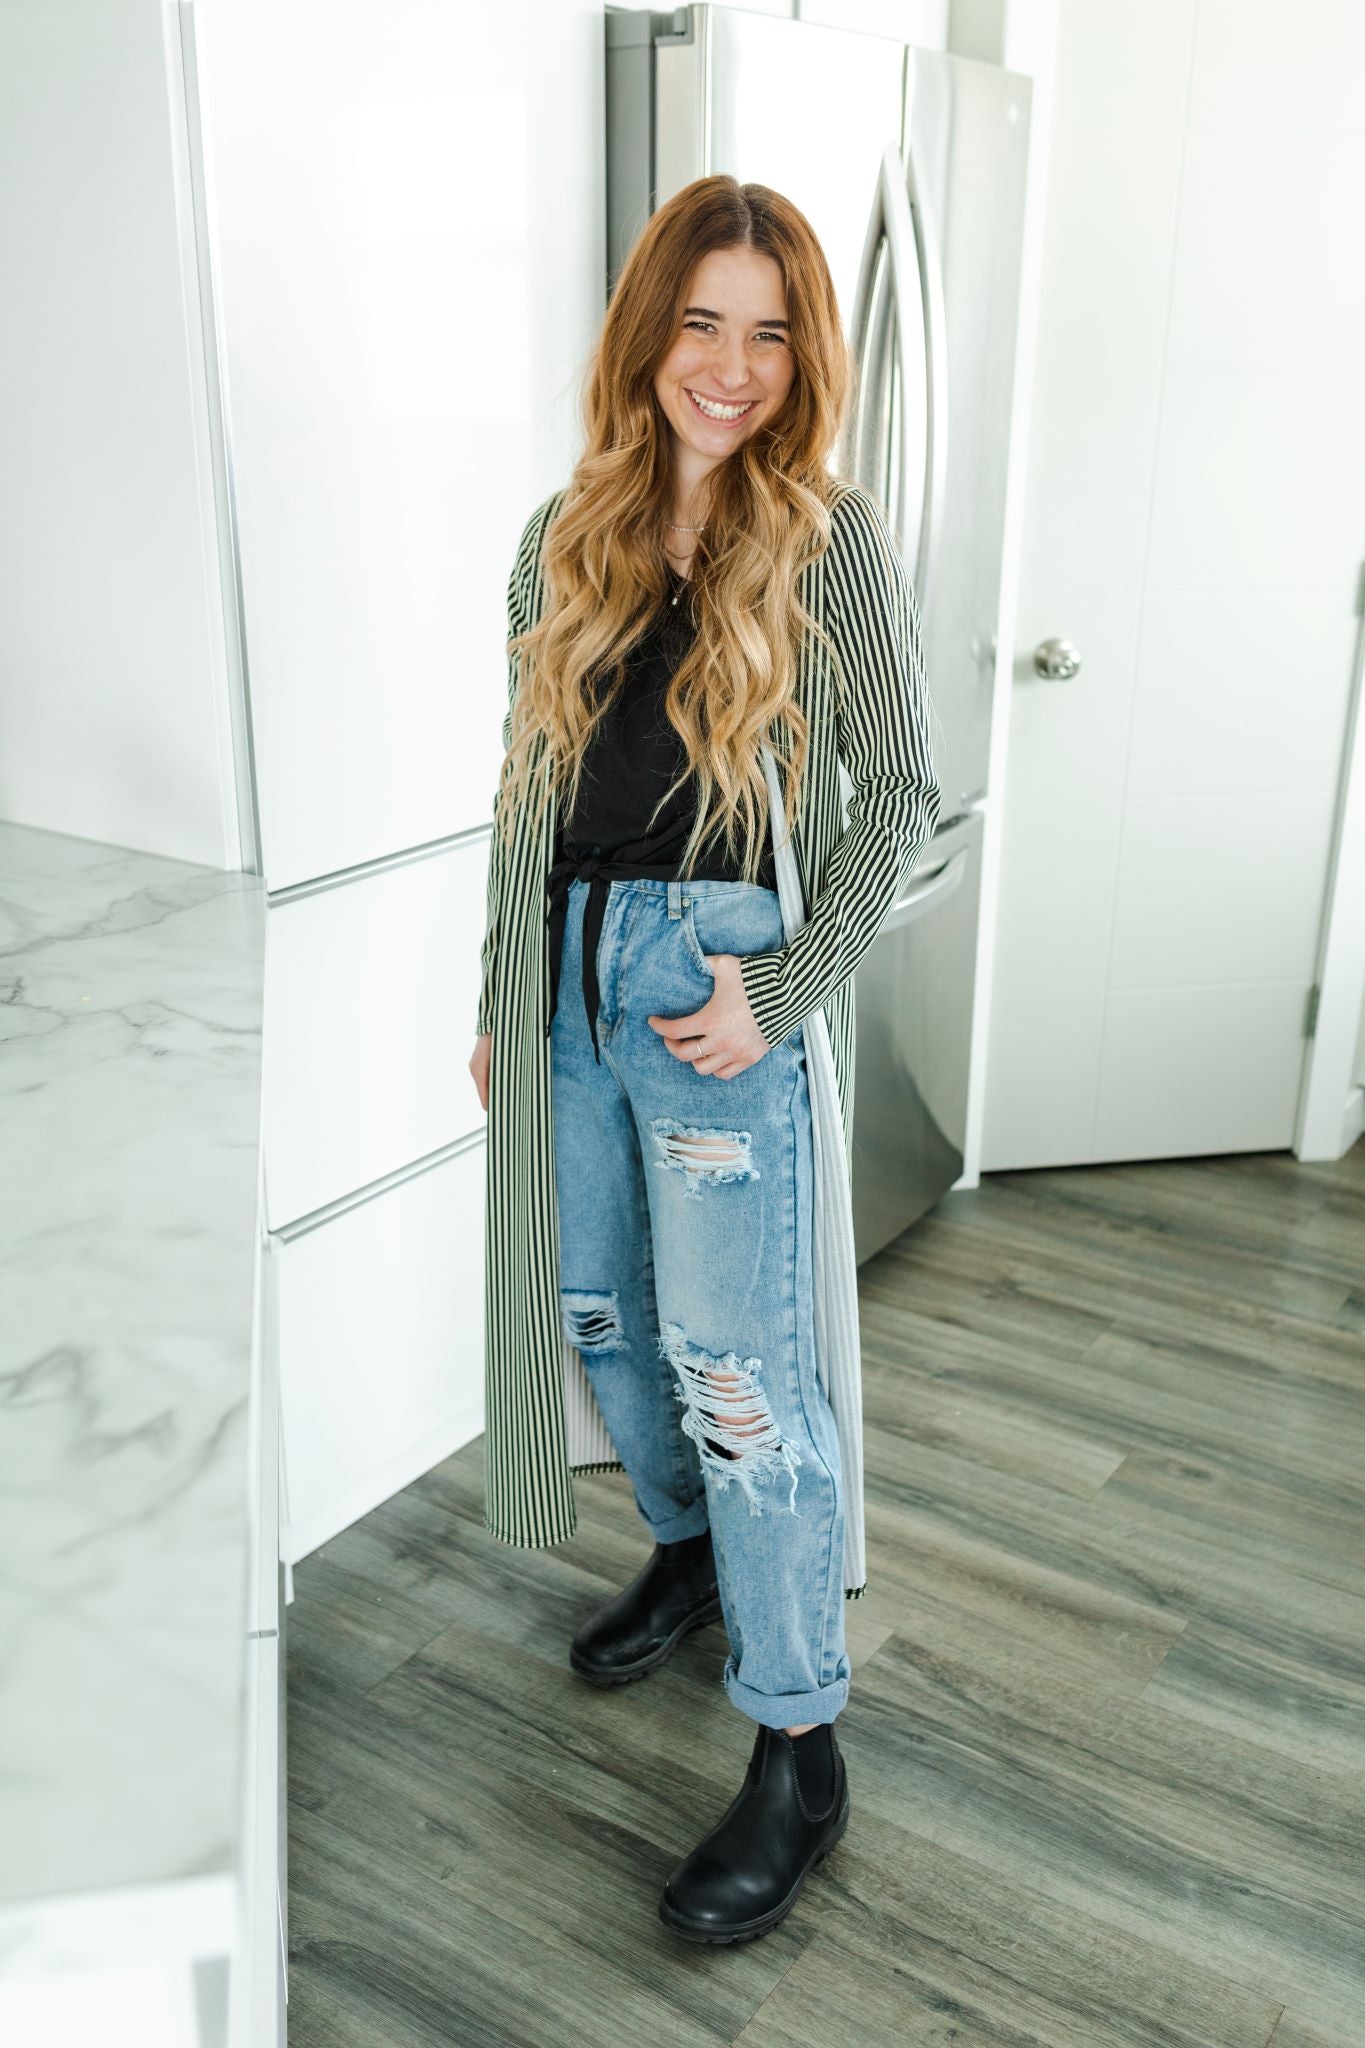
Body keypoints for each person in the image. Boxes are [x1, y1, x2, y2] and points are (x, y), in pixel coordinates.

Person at [470, 174, 940, 1945]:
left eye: (767, 332)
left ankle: (797, 1743)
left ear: (799, 357)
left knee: (740, 1374)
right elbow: (521, 798)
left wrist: (785, 991)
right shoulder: (559, 537)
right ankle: (683, 1552)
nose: (730, 367)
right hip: (568, 983)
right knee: (601, 1312)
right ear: (646, 330)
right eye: (699, 322)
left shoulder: (825, 543)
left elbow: (894, 799)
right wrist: (496, 996)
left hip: (711, 984)